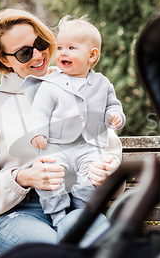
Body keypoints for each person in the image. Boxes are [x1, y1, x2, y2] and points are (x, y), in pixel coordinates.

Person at [0, 8, 124, 256]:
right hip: (20, 215)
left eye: (40, 43)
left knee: (91, 247)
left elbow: (107, 151)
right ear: (4, 60)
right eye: (24, 52)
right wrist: (23, 177)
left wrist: (107, 171)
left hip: (78, 206)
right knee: (57, 255)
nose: (38, 55)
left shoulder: (79, 85)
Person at [23, 16, 126, 226]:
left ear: (92, 55)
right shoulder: (51, 84)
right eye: (60, 47)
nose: (63, 52)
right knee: (49, 179)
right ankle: (58, 216)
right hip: (56, 145)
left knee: (92, 175)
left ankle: (82, 212)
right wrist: (38, 133)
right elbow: (39, 111)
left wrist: (116, 116)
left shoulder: (102, 84)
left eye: (71, 47)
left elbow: (113, 106)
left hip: (88, 144)